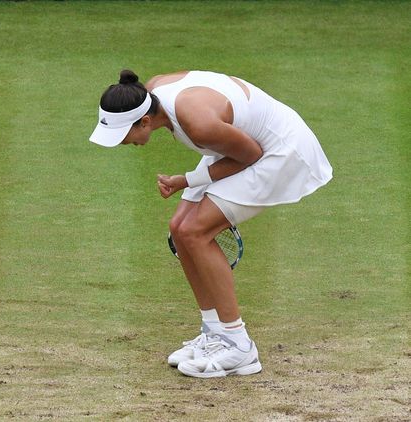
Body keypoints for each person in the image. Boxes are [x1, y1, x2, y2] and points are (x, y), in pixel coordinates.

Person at [89, 69, 332, 378]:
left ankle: (239, 346)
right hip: (235, 144)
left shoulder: (197, 123)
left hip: (278, 151)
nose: (122, 143)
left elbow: (250, 155)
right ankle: (215, 332)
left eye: (123, 135)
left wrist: (185, 180)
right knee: (179, 230)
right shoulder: (149, 94)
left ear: (145, 121)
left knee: (195, 231)